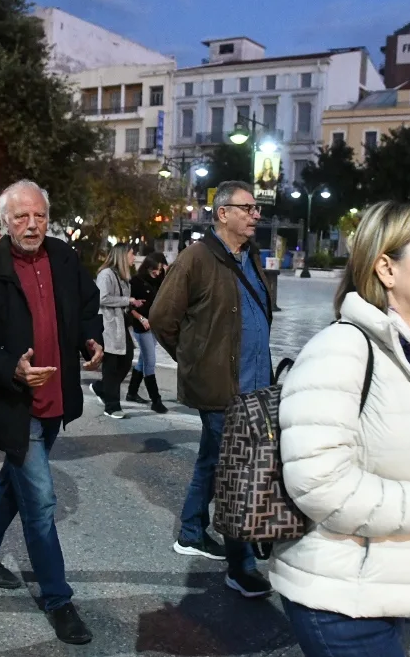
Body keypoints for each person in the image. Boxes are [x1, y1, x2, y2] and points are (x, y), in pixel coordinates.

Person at [274, 202, 410, 656]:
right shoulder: (340, 350)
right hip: (337, 598)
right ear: (386, 268)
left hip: (381, 586)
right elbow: (317, 483)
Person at [0, 179, 103, 646]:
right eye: (21, 216)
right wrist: (12, 369)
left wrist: (89, 336)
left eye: (39, 215)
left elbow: (85, 305)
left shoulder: (63, 257)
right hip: (13, 405)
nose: (32, 224)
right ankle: (59, 600)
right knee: (39, 503)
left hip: (57, 399)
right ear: (4, 222)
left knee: (13, 483)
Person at [150, 181, 274, 599]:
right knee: (236, 473)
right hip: (223, 388)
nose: (256, 214)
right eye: (248, 207)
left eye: (257, 208)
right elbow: (162, 316)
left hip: (255, 386)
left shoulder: (251, 257)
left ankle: (190, 530)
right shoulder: (196, 258)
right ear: (223, 213)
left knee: (212, 459)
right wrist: (193, 359)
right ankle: (241, 566)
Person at [90, 244, 140, 419]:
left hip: (120, 325)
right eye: (132, 254)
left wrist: (131, 303)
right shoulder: (106, 275)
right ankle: (112, 406)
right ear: (122, 255)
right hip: (108, 325)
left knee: (126, 361)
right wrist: (127, 300)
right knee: (111, 366)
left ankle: (102, 388)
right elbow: (102, 298)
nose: (134, 258)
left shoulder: (124, 277)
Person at [125, 251, 168, 413]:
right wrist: (142, 319)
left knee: (143, 360)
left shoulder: (160, 280)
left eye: (159, 269)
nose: (157, 273)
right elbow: (129, 307)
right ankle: (156, 400)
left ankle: (131, 392)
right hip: (141, 326)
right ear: (147, 267)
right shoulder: (136, 281)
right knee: (150, 361)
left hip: (154, 326)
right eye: (154, 270)